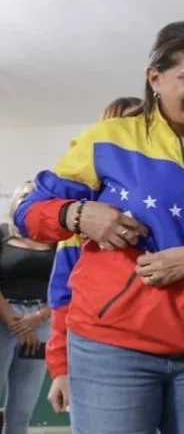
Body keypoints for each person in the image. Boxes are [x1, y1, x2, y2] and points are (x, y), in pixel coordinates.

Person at [13, 21, 184, 434]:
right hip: (112, 350)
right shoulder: (107, 140)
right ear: (155, 78)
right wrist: (78, 214)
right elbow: (29, 212)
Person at [45, 96, 143, 414]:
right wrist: (61, 367)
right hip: (102, 350)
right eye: (125, 126)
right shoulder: (86, 212)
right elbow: (62, 294)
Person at [0, 182, 56, 434]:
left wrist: (38, 317)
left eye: (36, 194)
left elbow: (67, 286)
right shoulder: (3, 234)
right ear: (14, 200)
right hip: (4, 318)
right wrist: (14, 322)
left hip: (41, 322)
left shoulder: (58, 242)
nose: (29, 198)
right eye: (24, 194)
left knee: (22, 409)